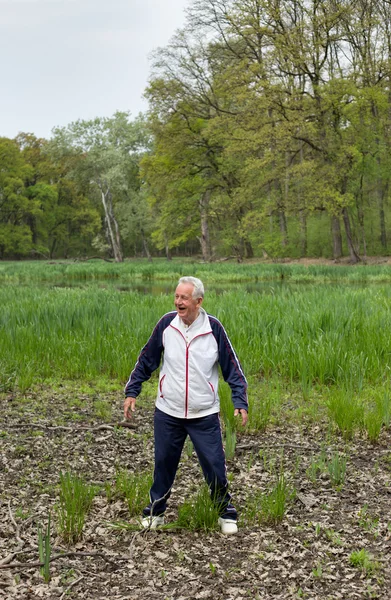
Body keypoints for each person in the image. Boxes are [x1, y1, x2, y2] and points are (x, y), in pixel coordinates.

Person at [124, 276, 248, 534]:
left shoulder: (213, 329)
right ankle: (155, 512)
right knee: (164, 463)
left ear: (198, 301)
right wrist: (132, 391)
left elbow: (232, 367)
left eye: (184, 297)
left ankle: (225, 514)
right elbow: (147, 359)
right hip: (168, 411)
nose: (178, 302)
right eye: (177, 296)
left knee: (215, 465)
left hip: (204, 414)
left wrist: (240, 399)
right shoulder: (166, 325)